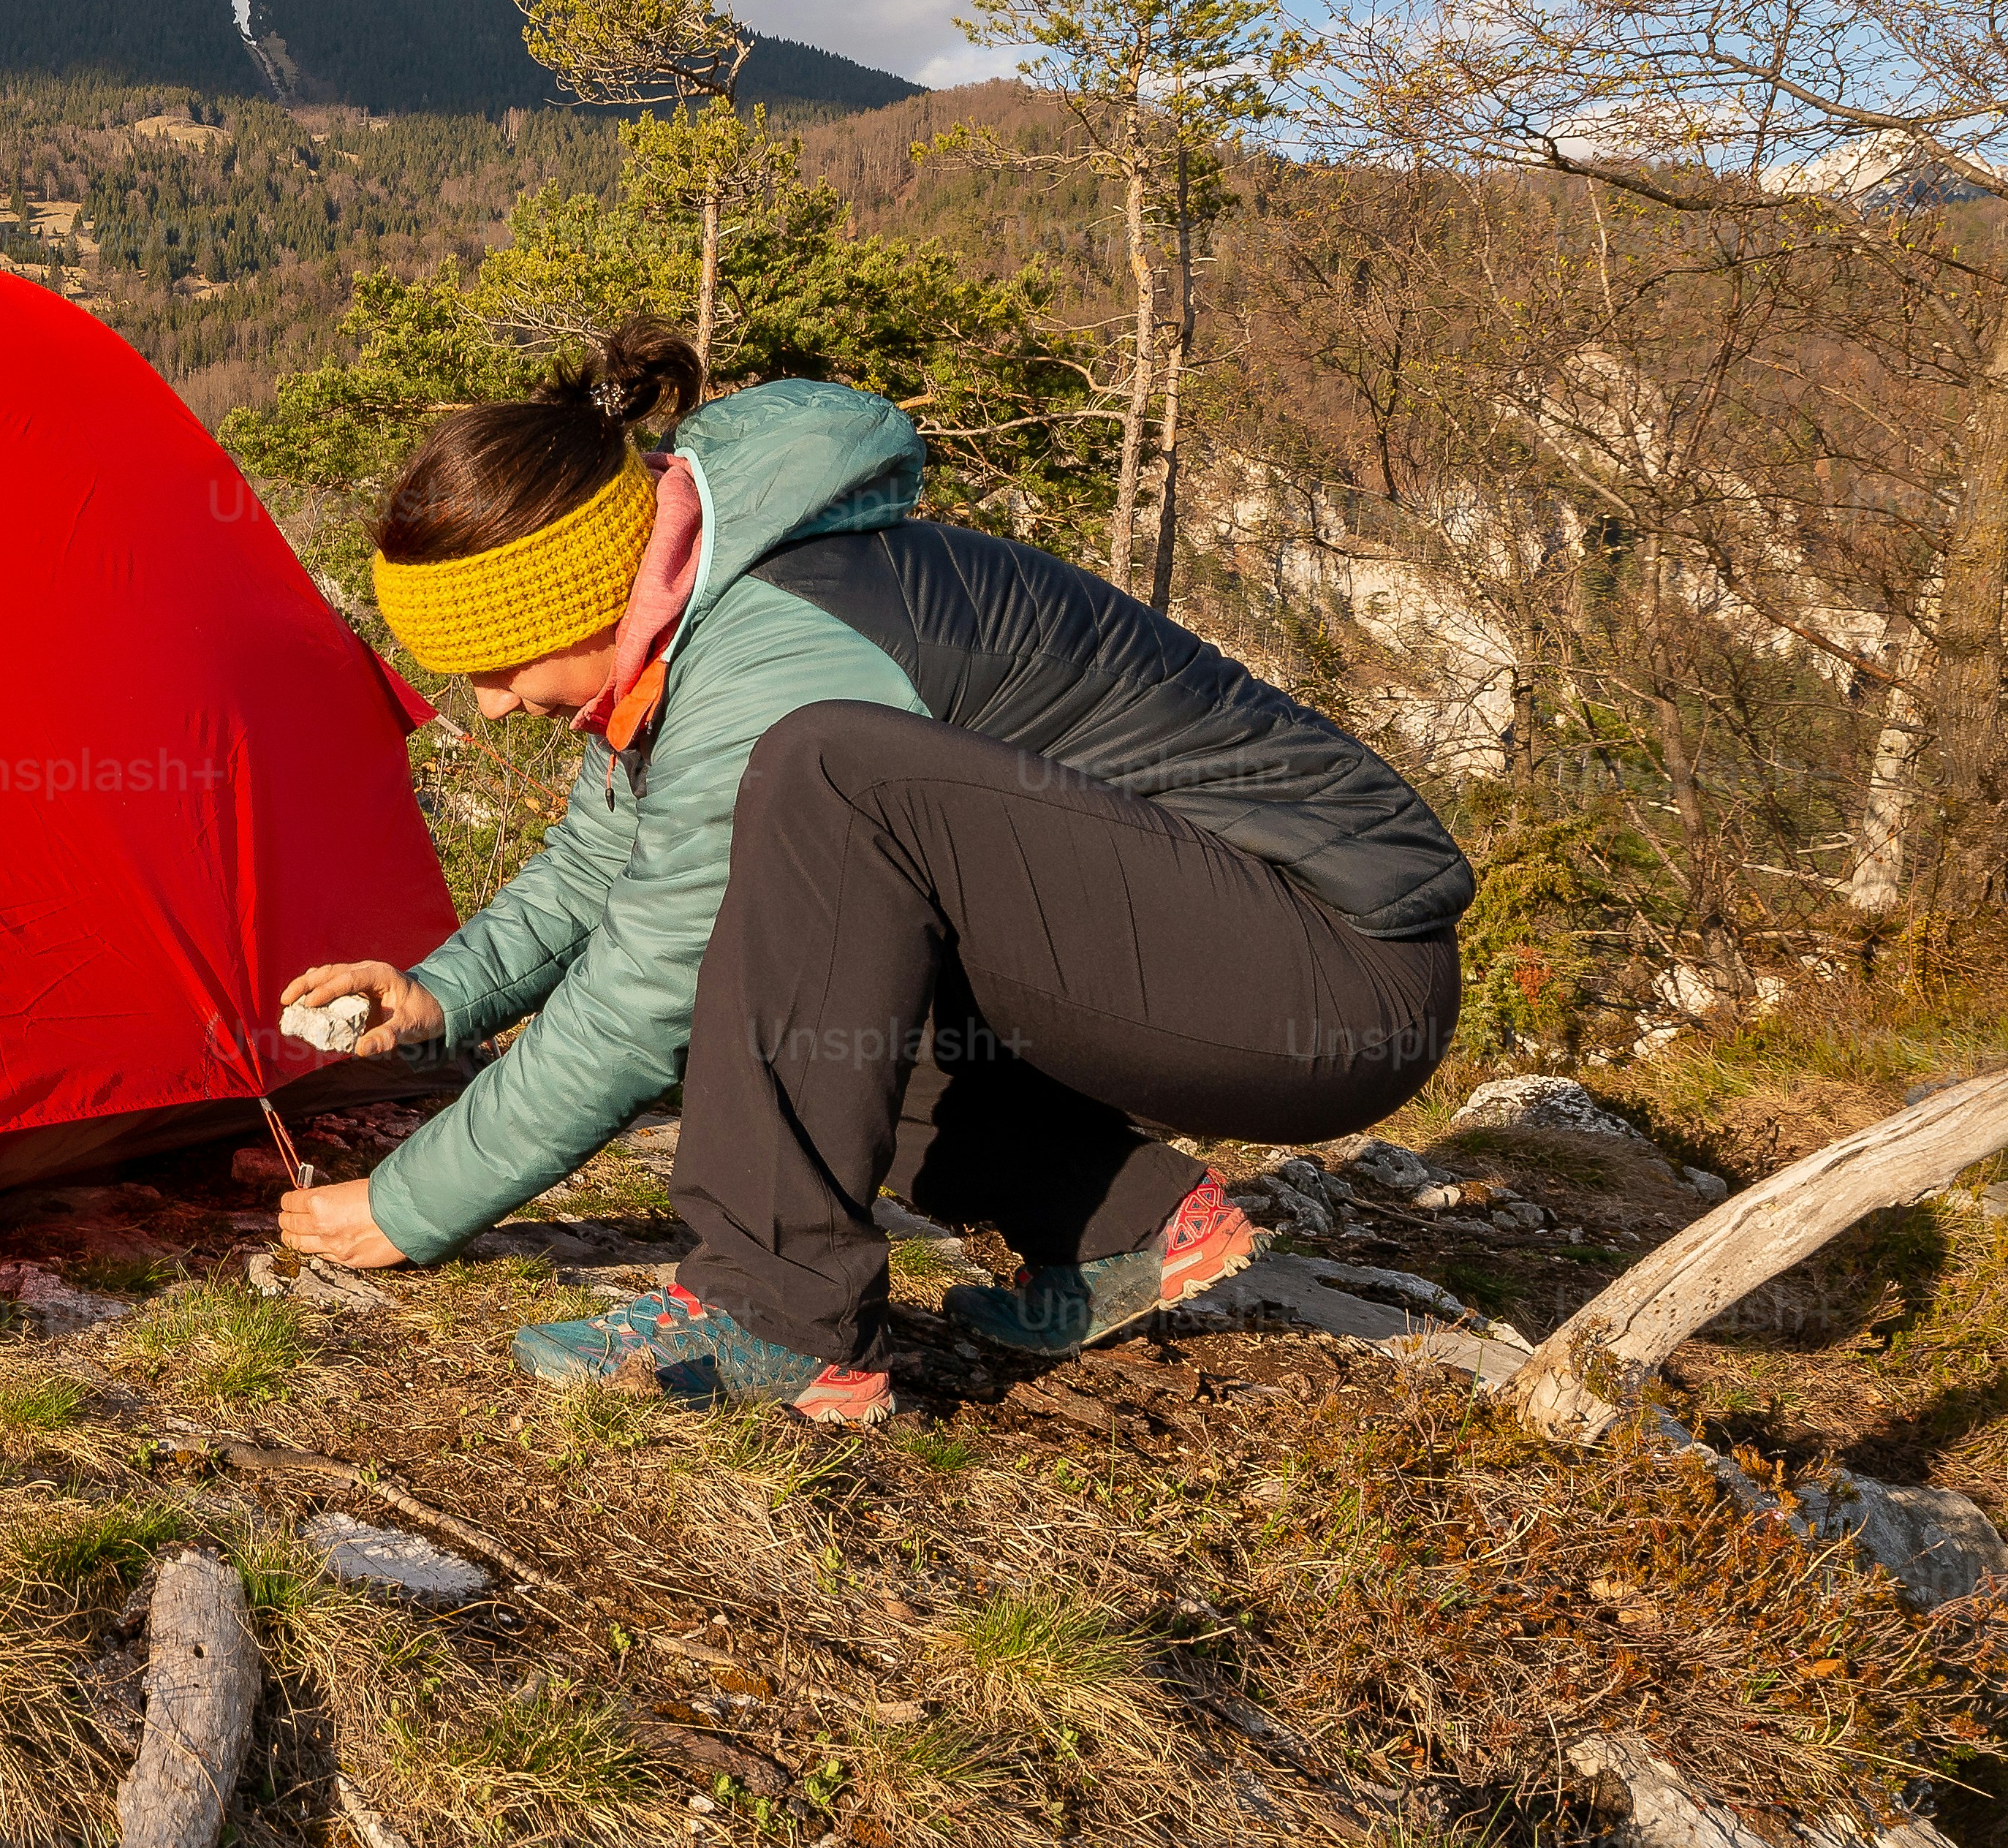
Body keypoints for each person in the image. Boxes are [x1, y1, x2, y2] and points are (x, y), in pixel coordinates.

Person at [270, 322, 1466, 1428]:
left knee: (818, 788)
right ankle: (1119, 1223)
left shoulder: (774, 655)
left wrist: (405, 1204)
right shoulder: (690, 623)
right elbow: (603, 857)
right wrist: (441, 995)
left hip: (1329, 980)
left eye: (500, 663)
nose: (492, 702)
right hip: (1203, 956)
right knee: (807, 973)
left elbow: (645, 996)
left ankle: (771, 1315)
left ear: (585, 597)